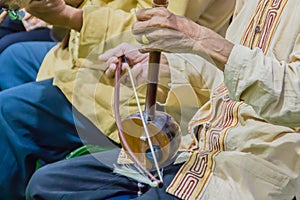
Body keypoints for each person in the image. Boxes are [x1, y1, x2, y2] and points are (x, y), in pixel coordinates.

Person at [26, 0, 300, 199]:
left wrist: (200, 38)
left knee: (14, 108)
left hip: (259, 164)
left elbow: (293, 98)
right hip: (200, 145)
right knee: (48, 184)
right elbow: (223, 77)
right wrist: (162, 66)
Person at [0, 0, 235, 199]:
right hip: (90, 58)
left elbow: (155, 32)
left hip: (137, 90)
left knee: (10, 112)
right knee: (12, 58)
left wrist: (68, 16)